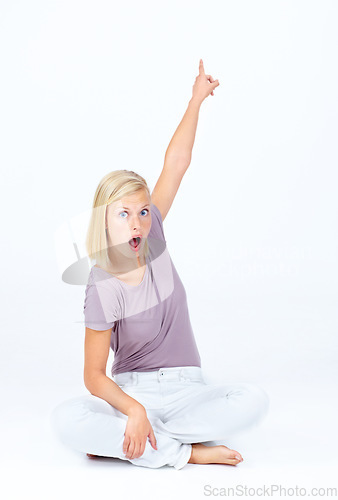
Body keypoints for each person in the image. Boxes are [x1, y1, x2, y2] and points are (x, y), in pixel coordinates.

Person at [50, 59, 269, 470]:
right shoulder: (101, 285)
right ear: (104, 220)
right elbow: (94, 376)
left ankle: (136, 444)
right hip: (135, 392)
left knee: (253, 402)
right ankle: (186, 451)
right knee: (66, 420)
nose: (137, 222)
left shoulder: (153, 238)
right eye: (124, 214)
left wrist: (196, 99)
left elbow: (176, 164)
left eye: (143, 212)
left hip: (189, 390)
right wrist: (133, 410)